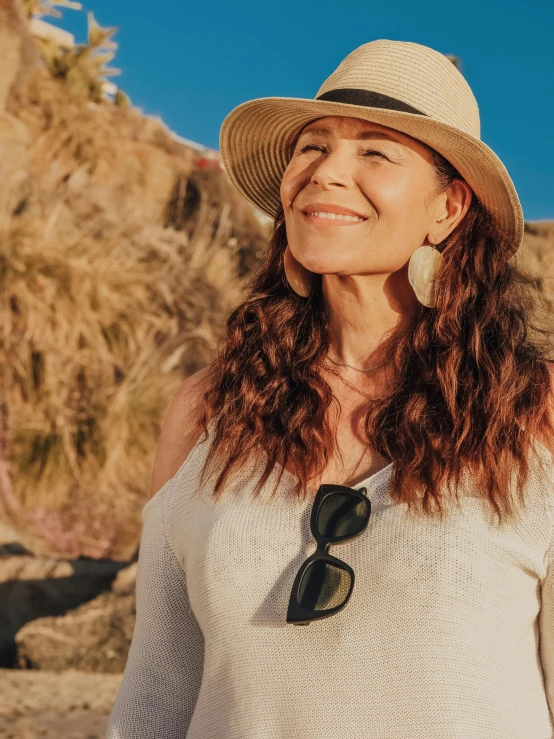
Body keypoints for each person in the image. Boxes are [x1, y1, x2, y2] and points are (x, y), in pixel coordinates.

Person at [106, 39, 554, 738]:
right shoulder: (209, 411)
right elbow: (156, 689)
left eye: (376, 152)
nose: (326, 173)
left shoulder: (532, 416)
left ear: (448, 209)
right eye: (313, 147)